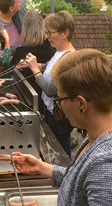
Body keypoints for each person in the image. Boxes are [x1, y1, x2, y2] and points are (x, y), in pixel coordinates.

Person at [0, 48, 112, 206]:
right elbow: (82, 177)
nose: (59, 104)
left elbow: (99, 174)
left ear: (81, 104)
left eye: (60, 98)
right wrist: (42, 168)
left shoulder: (111, 165)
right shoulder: (99, 135)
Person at [17, 10, 75, 158]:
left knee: (62, 153)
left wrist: (35, 71)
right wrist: (32, 65)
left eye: (50, 32)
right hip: (50, 112)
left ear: (65, 33)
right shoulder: (59, 52)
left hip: (59, 117)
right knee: (55, 150)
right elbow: (50, 67)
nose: (47, 36)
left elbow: (51, 89)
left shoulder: (68, 58)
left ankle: (66, 178)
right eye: (46, 32)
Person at [11, 10, 56, 114]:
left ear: (25, 28)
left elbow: (13, 75)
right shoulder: (51, 47)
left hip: (28, 102)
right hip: (47, 103)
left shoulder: (21, 52)